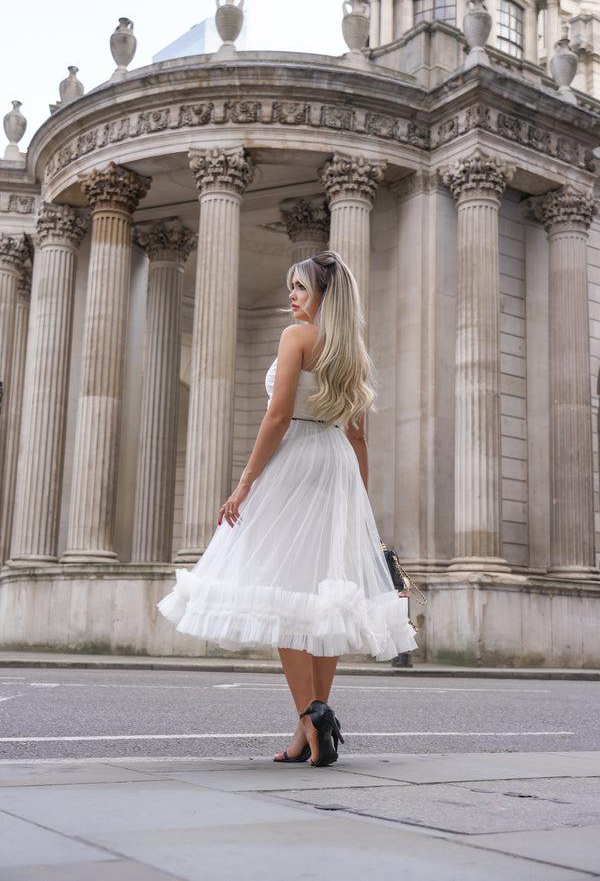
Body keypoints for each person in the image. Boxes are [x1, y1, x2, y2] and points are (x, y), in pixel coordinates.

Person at [157, 250, 418, 766]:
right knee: (325, 597)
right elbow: (360, 438)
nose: (292, 296)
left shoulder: (297, 337)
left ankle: (312, 713)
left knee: (280, 588)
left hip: (297, 460)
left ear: (321, 294)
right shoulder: (355, 352)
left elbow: (277, 418)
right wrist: (358, 506)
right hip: (337, 467)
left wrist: (244, 484)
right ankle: (309, 730)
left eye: (300, 287)